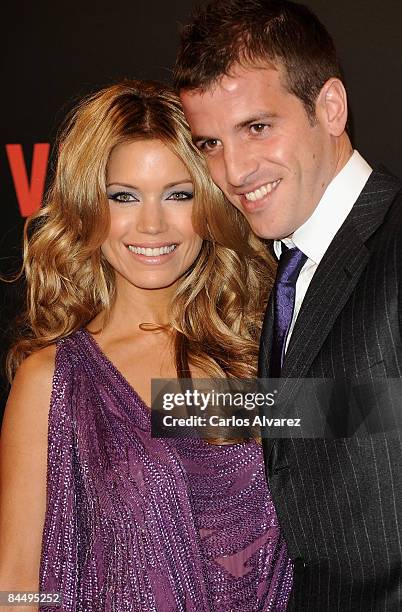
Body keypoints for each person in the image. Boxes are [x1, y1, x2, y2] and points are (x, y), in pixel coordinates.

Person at [0, 81, 293, 611]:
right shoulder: (52, 381)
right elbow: (17, 583)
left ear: (210, 204)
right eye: (124, 197)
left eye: (178, 194)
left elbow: (370, 457)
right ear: (88, 206)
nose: (153, 224)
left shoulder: (264, 347)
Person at [174, 0, 402, 610]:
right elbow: (339, 416)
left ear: (330, 107)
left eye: (257, 127)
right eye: (210, 143)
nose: (235, 170)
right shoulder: (276, 273)